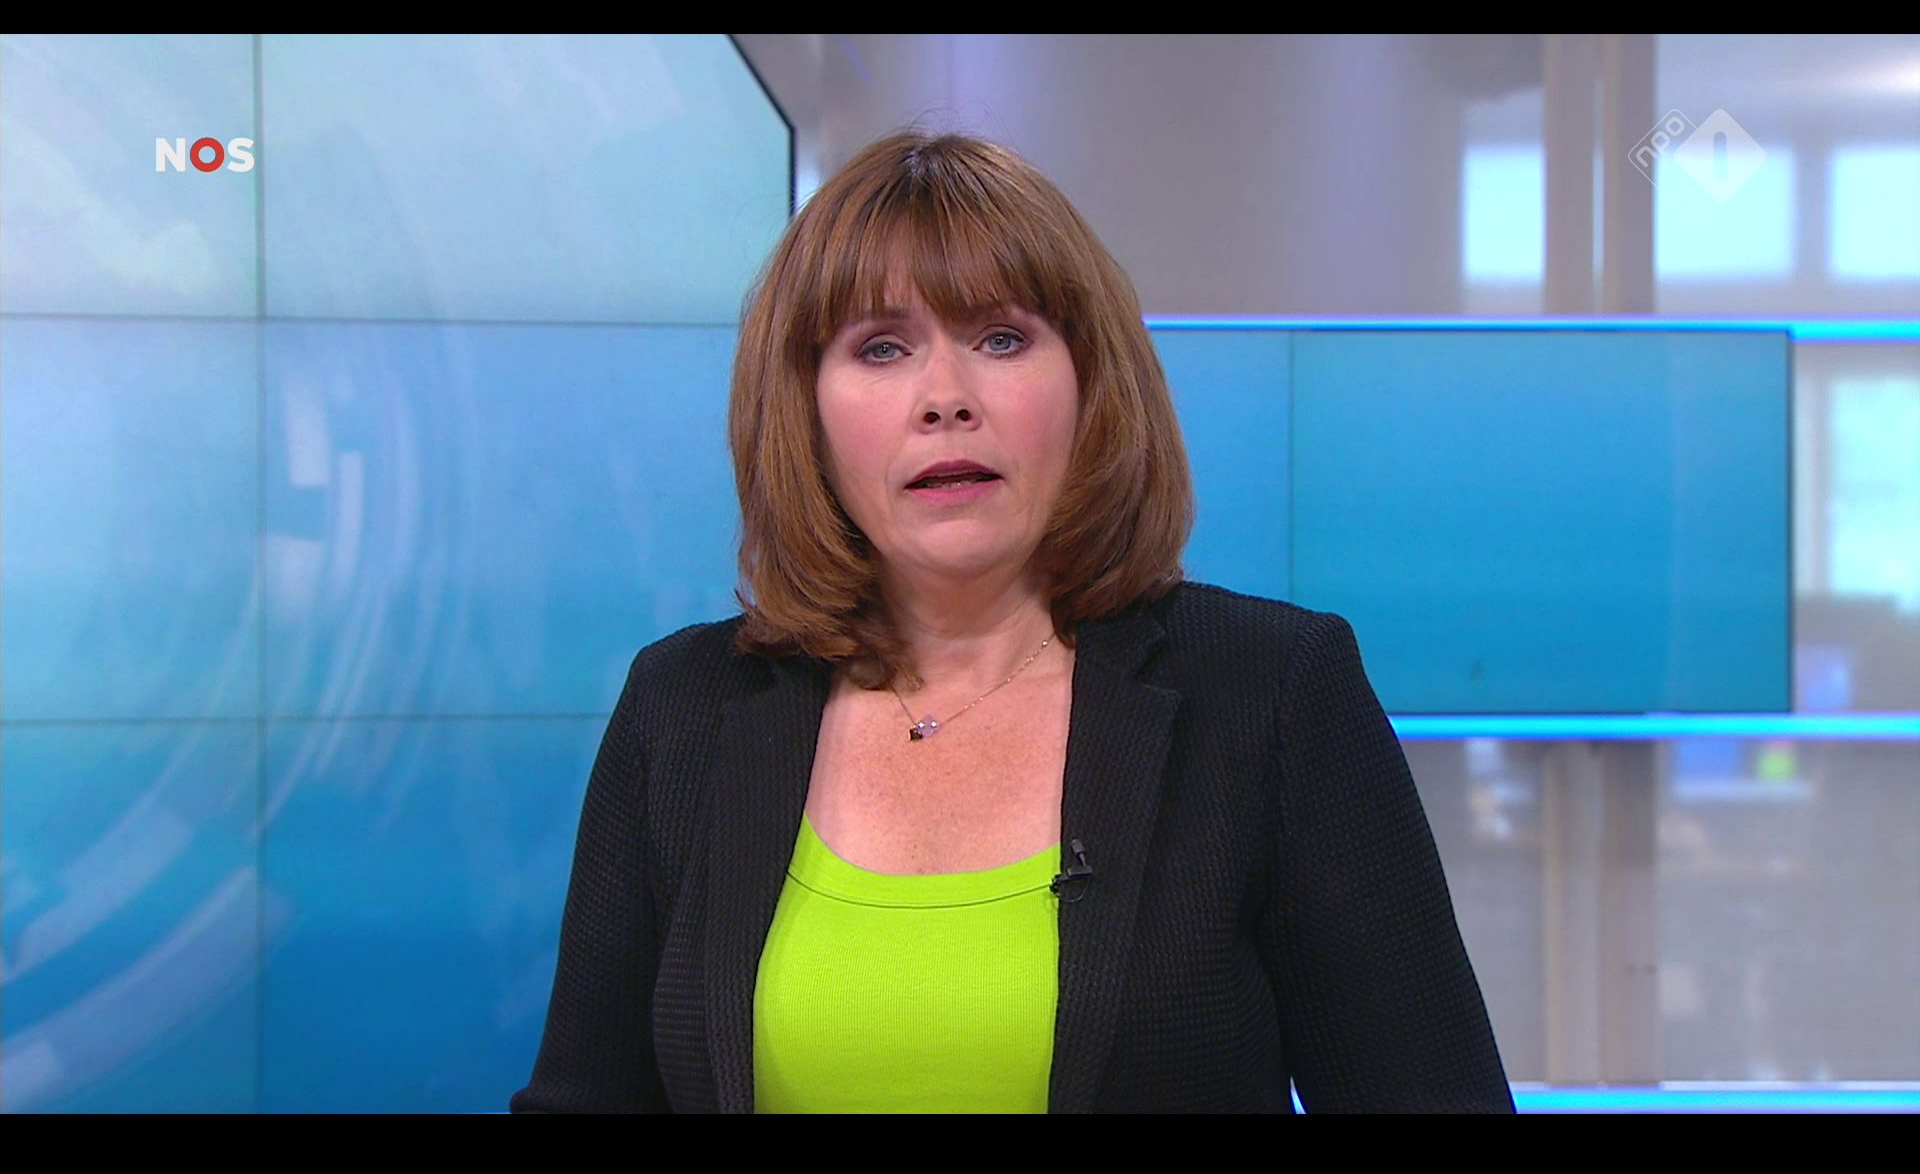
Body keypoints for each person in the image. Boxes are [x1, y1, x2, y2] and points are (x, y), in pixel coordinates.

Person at [509, 129, 1513, 1113]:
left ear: (1089, 382)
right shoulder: (681, 710)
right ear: (803, 410)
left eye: (1001, 338)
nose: (945, 398)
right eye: (881, 348)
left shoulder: (1271, 694)